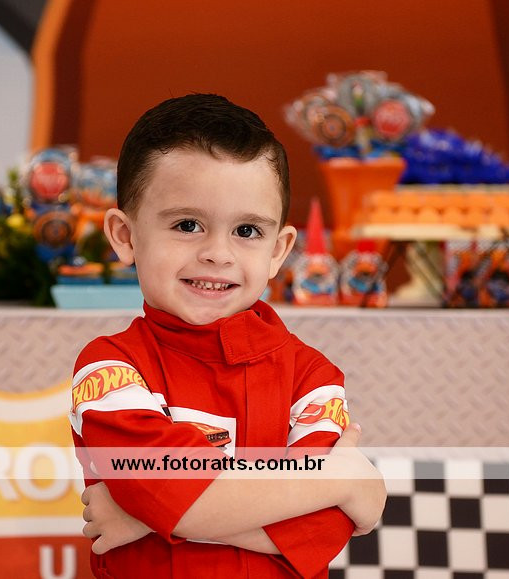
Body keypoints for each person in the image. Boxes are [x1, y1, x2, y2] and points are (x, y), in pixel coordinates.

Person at [69, 93, 386, 578]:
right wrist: (343, 482)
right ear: (125, 236)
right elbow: (184, 499)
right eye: (187, 225)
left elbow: (324, 526)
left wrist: (147, 517)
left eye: (247, 231)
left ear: (278, 250)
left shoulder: (313, 377)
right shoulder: (110, 369)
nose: (218, 253)